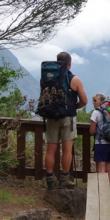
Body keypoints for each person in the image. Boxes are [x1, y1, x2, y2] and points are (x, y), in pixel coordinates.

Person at [44, 52, 87, 190]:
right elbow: (84, 101)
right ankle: (64, 179)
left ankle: (50, 181)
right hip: (68, 118)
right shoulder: (74, 79)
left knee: (51, 149)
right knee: (67, 149)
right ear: (69, 63)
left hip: (51, 116)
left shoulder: (48, 77)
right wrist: (74, 107)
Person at [89, 94, 110, 182]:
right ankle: (109, 190)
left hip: (101, 144)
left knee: (101, 169)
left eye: (95, 101)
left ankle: (102, 193)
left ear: (102, 102)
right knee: (109, 169)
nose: (93, 103)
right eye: (93, 101)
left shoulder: (96, 112)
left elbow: (92, 131)